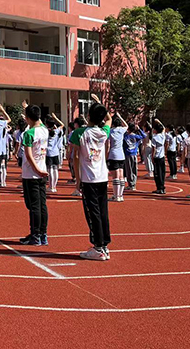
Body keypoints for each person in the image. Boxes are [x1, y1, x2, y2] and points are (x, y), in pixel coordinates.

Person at [70, 100, 112, 261]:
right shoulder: (103, 132)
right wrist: (101, 106)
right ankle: (104, 245)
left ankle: (98, 247)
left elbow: (74, 156)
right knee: (102, 212)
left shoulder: (79, 133)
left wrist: (77, 179)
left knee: (92, 213)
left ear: (88, 116)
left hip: (89, 178)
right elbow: (108, 119)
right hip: (102, 177)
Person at [19, 104, 49, 246]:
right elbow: (40, 123)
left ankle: (35, 234)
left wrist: (36, 169)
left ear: (27, 118)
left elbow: (29, 155)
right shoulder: (44, 130)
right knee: (42, 205)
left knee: (34, 206)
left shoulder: (29, 134)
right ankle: (42, 234)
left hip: (32, 174)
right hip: (42, 172)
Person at [107, 113, 128, 202]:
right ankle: (120, 195)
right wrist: (120, 116)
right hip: (121, 155)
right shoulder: (121, 130)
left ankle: (116, 196)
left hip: (113, 154)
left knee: (115, 176)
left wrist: (106, 156)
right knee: (121, 175)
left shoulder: (110, 131)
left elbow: (108, 145)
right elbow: (126, 125)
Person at [123, 123, 145, 191]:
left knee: (129, 170)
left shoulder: (125, 136)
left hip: (128, 154)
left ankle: (131, 185)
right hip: (134, 154)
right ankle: (133, 184)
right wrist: (139, 130)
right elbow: (144, 136)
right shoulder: (136, 136)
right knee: (134, 169)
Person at [47, 114, 65, 193]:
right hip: (56, 152)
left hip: (48, 153)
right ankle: (54, 186)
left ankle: (51, 186)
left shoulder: (46, 131)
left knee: (50, 169)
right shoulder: (57, 131)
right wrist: (55, 118)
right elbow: (62, 124)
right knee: (55, 169)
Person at [150, 119, 167, 194]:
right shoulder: (163, 135)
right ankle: (162, 187)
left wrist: (152, 157)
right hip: (162, 156)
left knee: (157, 173)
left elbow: (154, 149)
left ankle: (159, 188)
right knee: (162, 173)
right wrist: (159, 121)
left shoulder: (155, 137)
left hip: (157, 157)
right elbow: (163, 128)